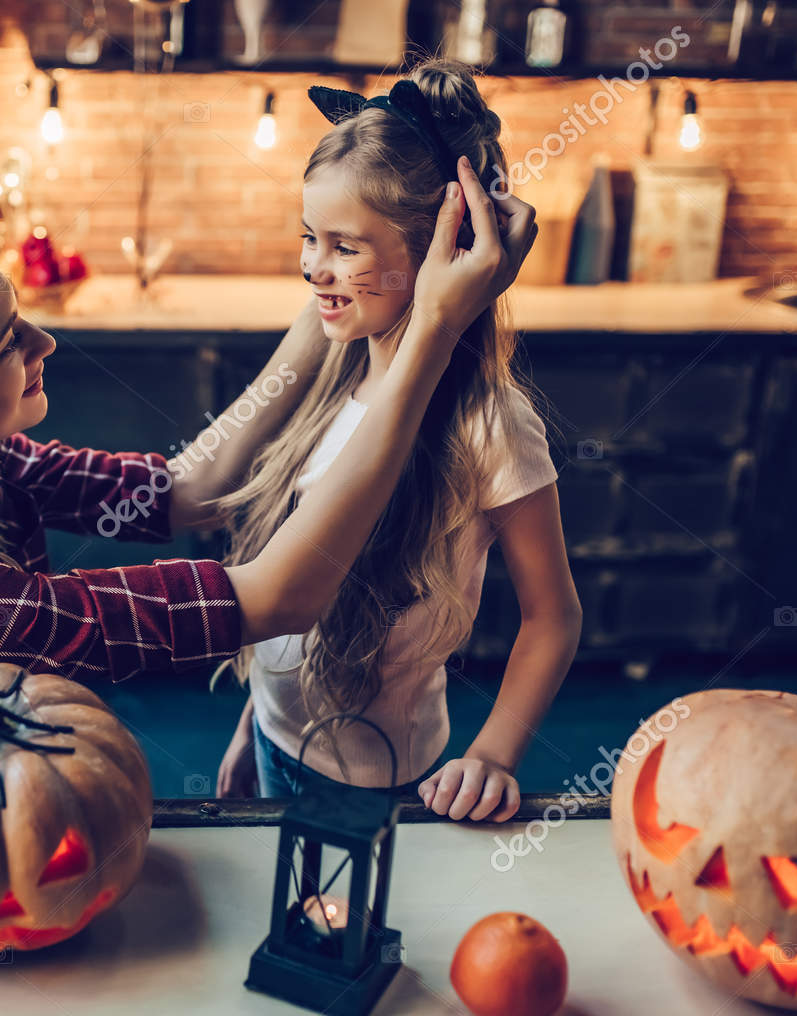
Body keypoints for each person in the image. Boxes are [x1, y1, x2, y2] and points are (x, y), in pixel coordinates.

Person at [0, 146, 533, 801]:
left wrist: (337, 286)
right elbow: (281, 596)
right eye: (9, 340)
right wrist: (430, 326)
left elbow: (189, 487)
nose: (45, 346)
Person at [213, 60, 582, 823]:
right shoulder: (330, 367)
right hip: (276, 736)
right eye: (310, 237)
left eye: (346, 247)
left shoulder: (492, 425)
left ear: (441, 256)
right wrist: (257, 721)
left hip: (370, 777)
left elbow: (554, 617)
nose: (315, 267)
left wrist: (493, 754)